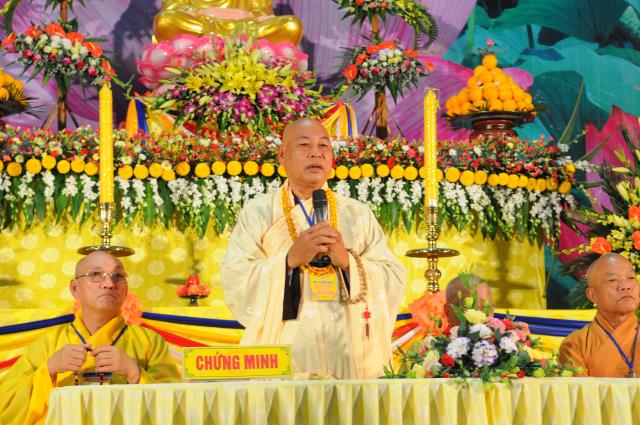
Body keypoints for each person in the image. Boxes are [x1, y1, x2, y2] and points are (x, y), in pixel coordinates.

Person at [220, 118, 406, 379]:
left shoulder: (357, 214)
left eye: (324, 146)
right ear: (282, 155)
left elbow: (393, 277)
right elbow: (236, 277)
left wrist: (347, 261)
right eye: (304, 145)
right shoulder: (258, 212)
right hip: (287, 345)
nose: (316, 153)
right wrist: (288, 260)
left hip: (348, 348)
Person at [0, 251, 180, 425]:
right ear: (75, 288)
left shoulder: (150, 342)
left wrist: (135, 374)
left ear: (126, 290)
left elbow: (177, 407)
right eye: (96, 274)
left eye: (117, 276)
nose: (109, 283)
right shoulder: (48, 344)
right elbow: (6, 407)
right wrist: (49, 370)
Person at [559, 253, 640, 377]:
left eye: (631, 278)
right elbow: (579, 389)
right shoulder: (575, 345)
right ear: (592, 295)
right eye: (612, 280)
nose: (625, 286)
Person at [154, 0, 303, 45]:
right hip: (201, 23)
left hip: (246, 25)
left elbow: (263, 14)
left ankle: (225, 42)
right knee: (165, 21)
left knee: (291, 25)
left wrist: (246, 15)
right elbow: (172, 9)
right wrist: (207, 12)